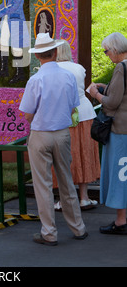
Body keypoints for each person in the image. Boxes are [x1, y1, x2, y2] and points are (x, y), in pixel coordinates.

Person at [19, 33, 87, 246]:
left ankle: (49, 232)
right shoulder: (68, 76)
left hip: (41, 133)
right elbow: (74, 104)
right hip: (62, 133)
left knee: (43, 185)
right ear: (55, 52)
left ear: (38, 56)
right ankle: (78, 228)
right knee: (66, 180)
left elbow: (28, 113)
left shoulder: (35, 79)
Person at [53, 40, 100, 211]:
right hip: (85, 113)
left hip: (63, 115)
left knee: (64, 156)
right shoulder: (79, 68)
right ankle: (84, 198)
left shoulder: (54, 70)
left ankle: (64, 199)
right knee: (84, 154)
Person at [88, 32, 127, 235]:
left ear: (115, 49)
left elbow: (113, 102)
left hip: (121, 130)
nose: (106, 55)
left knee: (121, 176)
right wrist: (107, 88)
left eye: (106, 51)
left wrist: (96, 94)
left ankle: (121, 221)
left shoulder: (121, 68)